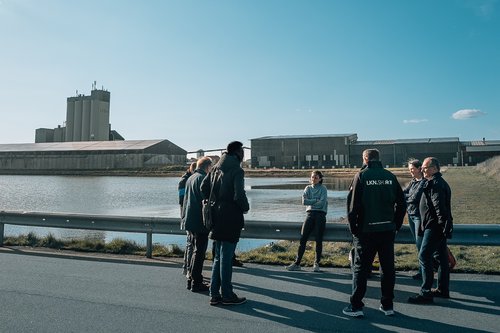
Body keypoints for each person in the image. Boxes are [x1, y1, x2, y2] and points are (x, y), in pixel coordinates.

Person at [343, 149, 406, 317]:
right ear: (379, 158)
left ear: (365, 158)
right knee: (387, 269)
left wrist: (354, 229)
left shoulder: (361, 176)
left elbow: (352, 206)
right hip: (387, 230)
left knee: (361, 269)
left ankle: (356, 306)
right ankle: (387, 305)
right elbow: (402, 204)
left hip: (366, 231)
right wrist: (396, 225)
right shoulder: (390, 176)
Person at [201, 141, 249, 306]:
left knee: (218, 257)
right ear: (237, 153)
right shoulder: (237, 170)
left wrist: (212, 200)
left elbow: (203, 187)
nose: (243, 154)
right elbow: (239, 195)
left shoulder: (215, 168)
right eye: (242, 152)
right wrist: (245, 208)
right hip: (230, 217)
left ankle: (214, 294)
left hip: (216, 216)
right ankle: (227, 295)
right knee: (226, 258)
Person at [408, 157, 453, 304]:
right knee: (441, 259)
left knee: (424, 257)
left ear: (434, 168)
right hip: (436, 227)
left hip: (433, 227)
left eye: (425, 168)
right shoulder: (436, 182)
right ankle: (442, 290)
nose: (422, 170)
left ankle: (426, 293)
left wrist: (441, 227)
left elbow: (439, 208)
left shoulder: (435, 184)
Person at [286, 170, 328, 272]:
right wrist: (315, 200)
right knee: (303, 238)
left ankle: (316, 263)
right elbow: (304, 201)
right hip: (310, 214)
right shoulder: (307, 188)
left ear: (320, 179)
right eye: (312, 177)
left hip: (320, 215)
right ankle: (297, 263)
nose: (313, 179)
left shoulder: (323, 189)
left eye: (316, 177)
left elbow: (322, 203)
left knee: (318, 240)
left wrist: (311, 201)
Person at [182, 157, 213, 292]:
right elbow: (206, 200)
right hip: (199, 220)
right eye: (211, 167)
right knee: (199, 252)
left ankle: (191, 279)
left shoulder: (191, 177)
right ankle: (196, 281)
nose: (211, 170)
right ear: (207, 166)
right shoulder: (203, 178)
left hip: (189, 219)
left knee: (195, 249)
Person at [403, 159, 426, 280]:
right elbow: (404, 193)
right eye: (409, 169)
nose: (410, 171)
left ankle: (424, 272)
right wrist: (407, 196)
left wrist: (407, 197)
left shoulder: (423, 182)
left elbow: (415, 198)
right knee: (418, 245)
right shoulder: (413, 182)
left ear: (419, 169)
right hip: (411, 215)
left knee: (420, 245)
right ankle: (422, 270)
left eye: (412, 169)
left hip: (418, 217)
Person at [179, 161, 197, 276]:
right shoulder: (184, 181)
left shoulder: (189, 179)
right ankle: (187, 268)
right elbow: (182, 200)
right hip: (187, 214)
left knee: (190, 242)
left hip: (188, 214)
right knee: (190, 242)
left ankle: (187, 267)